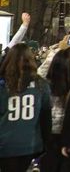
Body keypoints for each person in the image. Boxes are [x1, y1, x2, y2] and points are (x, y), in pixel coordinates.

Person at [0, 43, 52, 172]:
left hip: (6, 145)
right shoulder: (41, 84)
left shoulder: (3, 85)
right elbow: (46, 119)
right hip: (32, 145)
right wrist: (46, 144)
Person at [39, 48, 70, 172]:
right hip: (67, 135)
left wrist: (56, 50)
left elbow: (41, 70)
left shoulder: (43, 84)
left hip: (46, 133)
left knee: (48, 165)